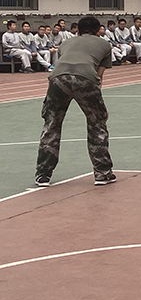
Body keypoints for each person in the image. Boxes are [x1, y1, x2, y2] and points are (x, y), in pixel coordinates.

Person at [35, 15, 116, 186]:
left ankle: (43, 174)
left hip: (57, 79)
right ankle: (102, 173)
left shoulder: (66, 43)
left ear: (78, 30)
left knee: (51, 124)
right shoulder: (104, 45)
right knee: (96, 124)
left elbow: (64, 64)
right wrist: (99, 109)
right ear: (98, 31)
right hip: (85, 79)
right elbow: (99, 76)